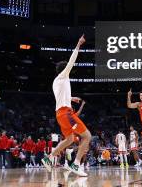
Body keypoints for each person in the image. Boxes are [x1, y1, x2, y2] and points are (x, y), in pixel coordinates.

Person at [41, 34, 90, 177]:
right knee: (87, 136)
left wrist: (71, 98)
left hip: (59, 114)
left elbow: (60, 97)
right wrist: (78, 45)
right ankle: (76, 164)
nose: (70, 70)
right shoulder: (63, 75)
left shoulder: (56, 81)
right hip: (66, 113)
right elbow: (71, 61)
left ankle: (48, 158)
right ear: (64, 70)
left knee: (69, 139)